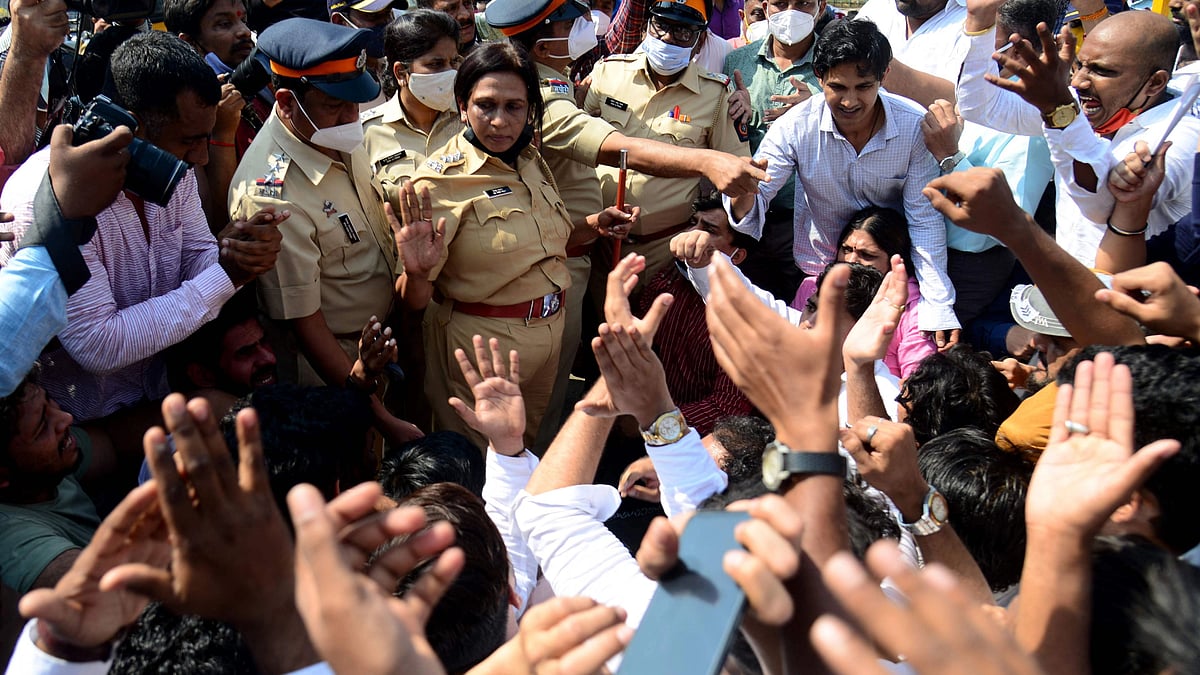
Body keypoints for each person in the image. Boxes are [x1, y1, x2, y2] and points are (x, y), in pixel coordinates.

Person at [0, 31, 281, 425]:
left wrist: (234, 254)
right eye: (188, 141)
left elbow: (197, 257)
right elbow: (98, 344)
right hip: (75, 433)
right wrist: (225, 276)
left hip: (161, 399)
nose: (201, 157)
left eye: (206, 138)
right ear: (127, 127)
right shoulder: (42, 199)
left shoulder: (175, 170)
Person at [727, 18, 960, 348]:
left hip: (887, 279)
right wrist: (742, 191)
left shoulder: (912, 127)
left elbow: (923, 218)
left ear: (883, 77)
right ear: (819, 78)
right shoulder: (794, 127)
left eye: (863, 87)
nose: (850, 102)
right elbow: (755, 198)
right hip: (817, 273)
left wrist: (938, 305)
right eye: (838, 87)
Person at [396, 41, 576, 450]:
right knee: (481, 470)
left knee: (528, 460)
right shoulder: (438, 183)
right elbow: (414, 298)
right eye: (485, 105)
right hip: (483, 347)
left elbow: (540, 247)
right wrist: (416, 273)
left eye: (514, 107)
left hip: (548, 336)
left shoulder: (529, 158)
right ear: (462, 106)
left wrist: (595, 226)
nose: (499, 121)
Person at [956, 4, 1200, 266]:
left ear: (1155, 82)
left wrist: (1059, 113)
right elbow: (981, 107)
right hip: (1072, 291)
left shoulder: (1183, 135)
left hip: (1131, 300)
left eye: (1102, 71)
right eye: (1079, 65)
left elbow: (1102, 205)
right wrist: (979, 21)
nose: (1078, 82)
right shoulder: (1074, 104)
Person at [228, 18, 396, 389]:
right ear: (287, 103)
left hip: (379, 348)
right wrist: (368, 405)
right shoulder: (269, 194)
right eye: (336, 105)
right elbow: (304, 323)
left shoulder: (328, 131)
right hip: (334, 369)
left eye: (356, 102)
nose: (353, 117)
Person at [584, 0, 752, 280]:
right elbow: (576, 141)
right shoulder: (608, 73)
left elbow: (736, 174)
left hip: (664, 249)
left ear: (699, 42)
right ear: (646, 27)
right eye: (660, 25)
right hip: (596, 240)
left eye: (682, 31)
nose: (667, 37)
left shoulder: (716, 96)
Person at [721, 0, 825, 300]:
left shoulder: (831, 66)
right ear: (765, 8)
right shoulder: (738, 62)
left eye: (803, 3)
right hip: (744, 214)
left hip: (804, 223)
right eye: (781, 3)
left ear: (820, 7)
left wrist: (815, 107)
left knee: (799, 307)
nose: (791, 12)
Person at [792, 206, 936, 378]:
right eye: (846, 249)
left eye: (867, 255)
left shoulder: (916, 311)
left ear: (894, 262)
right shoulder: (812, 287)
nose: (850, 261)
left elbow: (917, 386)